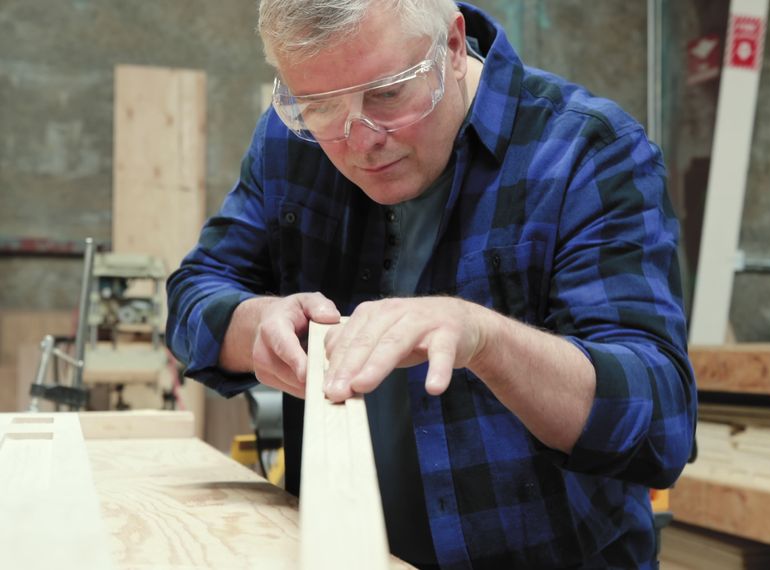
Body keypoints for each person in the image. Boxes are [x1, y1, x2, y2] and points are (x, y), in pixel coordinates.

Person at [166, 0, 696, 567]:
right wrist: (252, 327)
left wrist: (484, 338)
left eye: (388, 94)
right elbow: (194, 292)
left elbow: (660, 423)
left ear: (451, 45)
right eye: (320, 106)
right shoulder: (288, 141)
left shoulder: (586, 150)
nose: (359, 139)